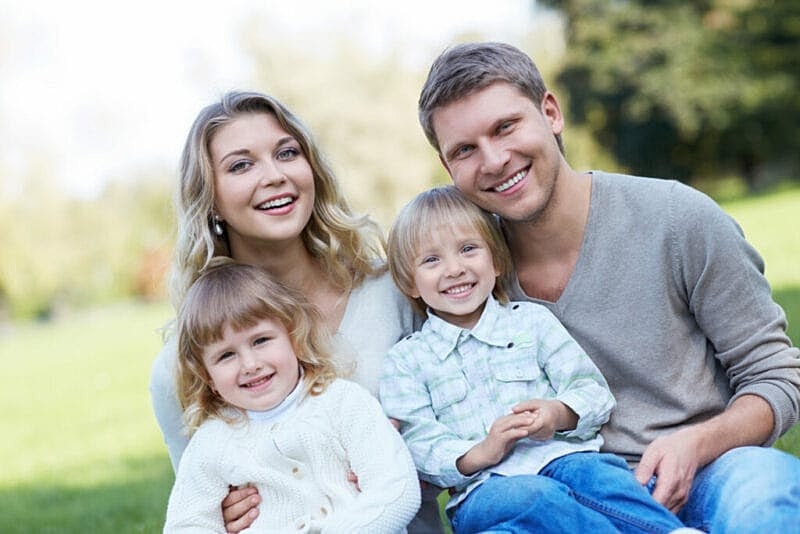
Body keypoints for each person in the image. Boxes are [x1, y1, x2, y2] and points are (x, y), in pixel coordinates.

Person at [416, 41, 800, 531]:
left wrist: (696, 443)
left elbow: (776, 377)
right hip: (562, 498)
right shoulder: (459, 279)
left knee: (765, 491)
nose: (493, 160)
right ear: (449, 169)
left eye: (505, 127)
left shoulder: (679, 220)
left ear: (550, 112)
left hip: (709, 470)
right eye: (465, 150)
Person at [149, 91, 443, 533]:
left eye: (287, 153)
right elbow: (197, 503)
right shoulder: (179, 367)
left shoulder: (398, 293)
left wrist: (411, 459)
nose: (274, 176)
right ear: (209, 199)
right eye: (241, 165)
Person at [381, 185, 696, 533]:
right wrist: (483, 451)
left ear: (496, 260)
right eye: (431, 260)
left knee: (600, 476)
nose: (454, 269)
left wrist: (556, 413)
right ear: (410, 282)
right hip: (485, 490)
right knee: (535, 495)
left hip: (564, 460)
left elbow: (591, 391)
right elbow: (419, 445)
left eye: (468, 249)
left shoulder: (531, 322)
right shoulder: (407, 360)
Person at [164, 260, 420, 532]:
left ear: (293, 337)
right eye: (226, 355)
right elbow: (187, 524)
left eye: (260, 341)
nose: (250, 364)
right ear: (208, 377)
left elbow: (396, 487)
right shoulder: (212, 442)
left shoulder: (343, 403)